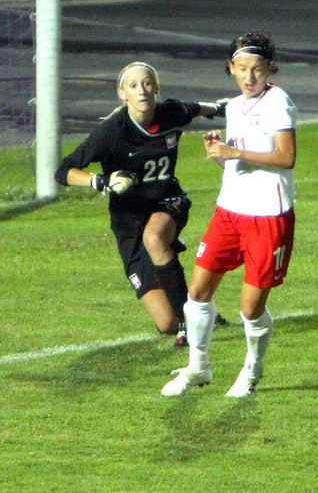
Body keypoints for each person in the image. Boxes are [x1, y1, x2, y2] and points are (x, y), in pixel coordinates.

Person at [161, 31, 297, 398]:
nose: (250, 77)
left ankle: (252, 368)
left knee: (250, 309)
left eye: (257, 69)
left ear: (270, 68)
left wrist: (235, 153)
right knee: (197, 292)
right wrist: (221, 155)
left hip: (268, 217)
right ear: (231, 68)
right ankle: (198, 366)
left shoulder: (278, 102)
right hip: (229, 212)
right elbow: (241, 164)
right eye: (242, 68)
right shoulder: (235, 107)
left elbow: (286, 157)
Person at [54, 61, 229, 345]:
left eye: (147, 83)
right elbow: (63, 171)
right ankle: (198, 315)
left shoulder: (170, 112)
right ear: (122, 93)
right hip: (128, 220)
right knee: (165, 322)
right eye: (133, 85)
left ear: (156, 88)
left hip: (168, 200)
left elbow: (198, 108)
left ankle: (190, 323)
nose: (142, 90)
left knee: (155, 238)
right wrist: (101, 181)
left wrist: (221, 109)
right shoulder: (111, 131)